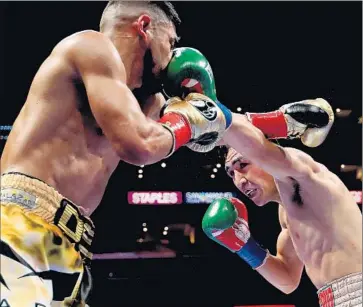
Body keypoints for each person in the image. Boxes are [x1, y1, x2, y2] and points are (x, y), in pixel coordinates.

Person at [0, 2, 236, 306]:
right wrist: (187, 121)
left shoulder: (137, 103)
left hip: (71, 246)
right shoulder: (90, 46)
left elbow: (220, 124)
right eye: (172, 41)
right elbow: (141, 145)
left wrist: (282, 122)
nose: (173, 54)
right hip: (23, 222)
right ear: (145, 26)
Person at [202, 99, 363, 307]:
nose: (239, 180)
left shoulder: (303, 173)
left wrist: (215, 116)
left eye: (243, 164)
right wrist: (244, 245)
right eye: (231, 173)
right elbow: (288, 280)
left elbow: (260, 150)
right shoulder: (286, 213)